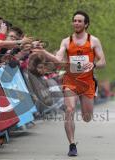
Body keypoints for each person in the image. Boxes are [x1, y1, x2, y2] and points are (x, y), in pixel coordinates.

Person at [38, 10, 106, 156]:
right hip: (71, 81)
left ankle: (85, 114)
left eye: (79, 21)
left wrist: (94, 64)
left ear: (86, 24)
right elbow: (58, 59)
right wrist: (43, 52)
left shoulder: (93, 41)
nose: (76, 23)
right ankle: (72, 144)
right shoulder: (66, 41)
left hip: (87, 82)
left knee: (87, 118)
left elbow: (103, 61)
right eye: (74, 20)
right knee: (69, 110)